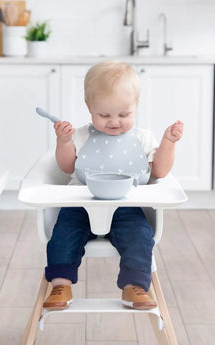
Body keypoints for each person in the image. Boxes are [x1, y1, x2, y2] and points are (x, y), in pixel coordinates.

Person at [43, 60, 183, 311]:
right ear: (89, 107)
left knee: (140, 236)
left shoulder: (142, 138)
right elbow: (66, 167)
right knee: (63, 234)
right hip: (80, 205)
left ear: (136, 107)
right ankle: (60, 283)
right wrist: (64, 142)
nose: (114, 122)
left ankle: (135, 285)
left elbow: (159, 171)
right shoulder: (82, 135)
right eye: (104, 115)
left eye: (124, 114)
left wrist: (168, 143)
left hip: (126, 207)